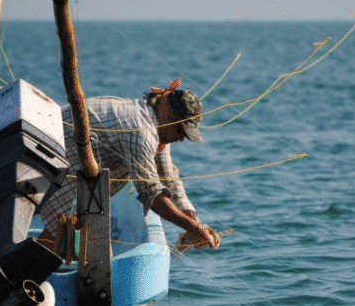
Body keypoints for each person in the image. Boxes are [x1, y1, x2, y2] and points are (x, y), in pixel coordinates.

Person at [40, 78, 220, 250]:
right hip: (49, 150)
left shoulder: (156, 127)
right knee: (61, 226)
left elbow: (169, 179)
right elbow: (152, 193)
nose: (181, 139)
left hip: (67, 159)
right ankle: (20, 274)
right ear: (167, 114)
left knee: (66, 222)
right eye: (181, 131)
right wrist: (192, 228)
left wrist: (196, 224)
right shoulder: (141, 131)